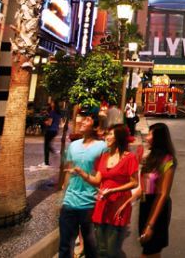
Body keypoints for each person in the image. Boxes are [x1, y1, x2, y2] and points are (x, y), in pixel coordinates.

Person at [73, 125, 139, 258]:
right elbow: (97, 180)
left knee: (112, 250)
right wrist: (82, 174)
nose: (107, 137)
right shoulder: (104, 156)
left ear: (119, 138)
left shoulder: (129, 157)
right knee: (101, 249)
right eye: (107, 134)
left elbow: (134, 182)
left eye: (110, 134)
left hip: (119, 204)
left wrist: (114, 190)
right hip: (103, 203)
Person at [59, 107, 107, 258]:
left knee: (92, 249)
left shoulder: (102, 147)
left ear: (96, 127)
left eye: (87, 120)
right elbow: (68, 172)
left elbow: (103, 176)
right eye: (82, 118)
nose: (82, 122)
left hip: (90, 203)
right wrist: (63, 198)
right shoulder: (73, 146)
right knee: (65, 247)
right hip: (70, 202)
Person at [136, 123, 176, 257]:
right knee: (152, 252)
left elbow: (163, 194)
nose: (146, 137)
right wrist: (126, 203)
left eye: (150, 134)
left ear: (158, 138)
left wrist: (150, 225)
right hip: (145, 206)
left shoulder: (167, 160)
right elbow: (143, 187)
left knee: (149, 252)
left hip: (158, 209)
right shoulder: (150, 158)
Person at [43, 100, 62, 167]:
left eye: (52, 102)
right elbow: (60, 123)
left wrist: (45, 122)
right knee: (48, 145)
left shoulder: (52, 112)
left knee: (46, 146)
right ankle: (54, 153)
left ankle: (46, 162)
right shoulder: (58, 113)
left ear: (54, 104)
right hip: (55, 130)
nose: (50, 103)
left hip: (50, 130)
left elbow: (49, 123)